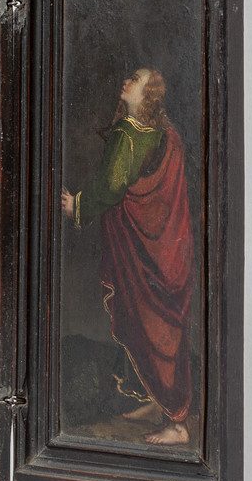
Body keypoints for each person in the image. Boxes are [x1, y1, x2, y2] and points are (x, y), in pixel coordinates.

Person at [61, 68, 194, 445]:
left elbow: (112, 187)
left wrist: (78, 206)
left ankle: (177, 424)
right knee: (153, 327)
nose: (126, 81)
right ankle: (158, 403)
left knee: (151, 326)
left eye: (135, 79)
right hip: (168, 250)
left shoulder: (128, 133)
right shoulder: (166, 134)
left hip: (144, 251)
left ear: (148, 93)